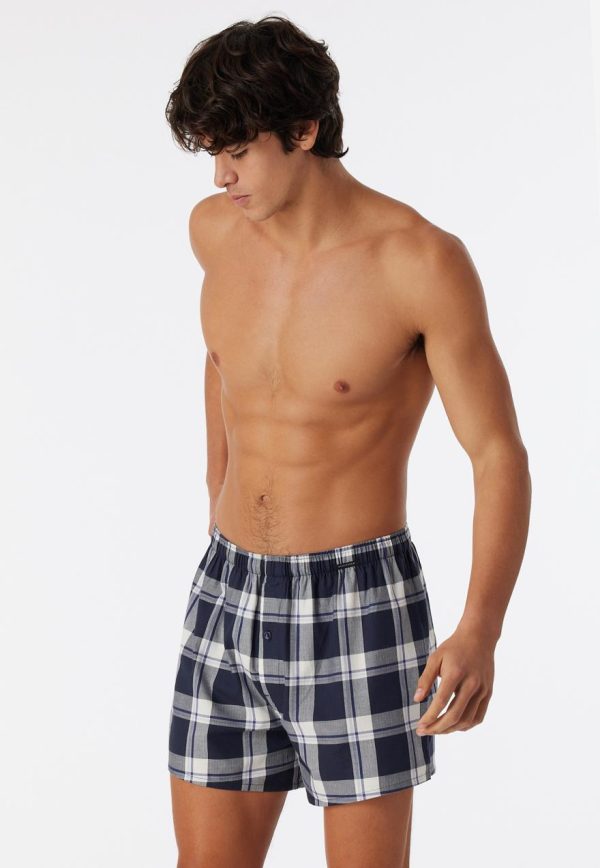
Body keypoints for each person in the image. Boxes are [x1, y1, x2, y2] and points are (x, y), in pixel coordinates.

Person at [164, 14, 532, 868]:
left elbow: (497, 453)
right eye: (210, 154)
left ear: (304, 131)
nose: (220, 176)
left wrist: (481, 627)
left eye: (237, 152)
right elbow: (224, 368)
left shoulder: (418, 262)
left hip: (356, 607)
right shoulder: (214, 232)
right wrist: (218, 495)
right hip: (227, 592)